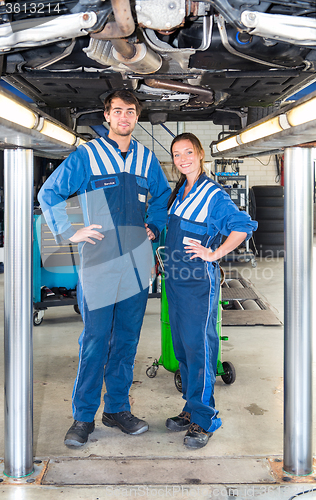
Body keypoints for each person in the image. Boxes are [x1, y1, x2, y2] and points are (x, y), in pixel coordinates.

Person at [38, 90, 171, 447]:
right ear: (107, 116)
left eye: (130, 111)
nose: (124, 117)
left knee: (126, 340)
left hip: (136, 264)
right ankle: (83, 418)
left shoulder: (146, 159)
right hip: (98, 264)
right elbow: (49, 194)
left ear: (136, 117)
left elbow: (161, 197)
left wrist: (155, 226)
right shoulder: (87, 156)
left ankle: (116, 409)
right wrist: (69, 231)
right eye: (117, 111)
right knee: (95, 341)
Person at [164, 133, 257, 449]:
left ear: (200, 153)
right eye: (177, 154)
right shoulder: (182, 191)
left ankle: (206, 420)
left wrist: (213, 254)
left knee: (200, 351)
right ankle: (191, 410)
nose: (183, 158)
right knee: (184, 352)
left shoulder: (212, 195)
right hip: (175, 283)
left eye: (188, 152)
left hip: (198, 286)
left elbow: (242, 226)